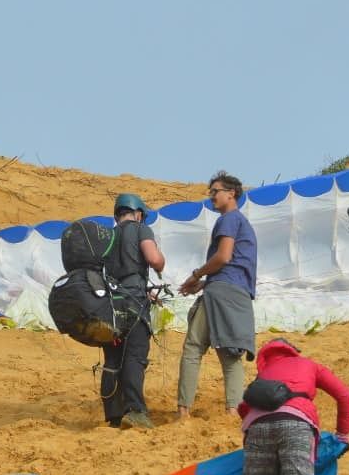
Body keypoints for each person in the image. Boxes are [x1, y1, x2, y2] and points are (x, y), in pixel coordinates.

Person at [218, 338, 349, 475]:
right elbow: (344, 395)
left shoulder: (264, 374)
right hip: (297, 426)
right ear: (293, 352)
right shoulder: (309, 365)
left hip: (258, 429)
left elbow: (245, 407)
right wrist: (343, 435)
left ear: (265, 358)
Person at [177, 170, 258, 418]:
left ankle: (183, 412)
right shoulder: (245, 223)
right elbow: (234, 268)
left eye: (215, 192)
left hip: (220, 292)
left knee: (193, 348)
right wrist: (203, 283)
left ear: (231, 194)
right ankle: (234, 411)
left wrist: (197, 275)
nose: (211, 197)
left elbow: (223, 257)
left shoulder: (228, 219)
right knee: (231, 355)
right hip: (238, 294)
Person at [101, 192, 166, 429]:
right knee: (135, 356)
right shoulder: (140, 229)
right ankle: (136, 411)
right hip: (134, 302)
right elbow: (153, 259)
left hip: (110, 304)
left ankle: (113, 416)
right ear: (138, 214)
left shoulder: (107, 236)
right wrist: (161, 261)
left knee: (113, 359)